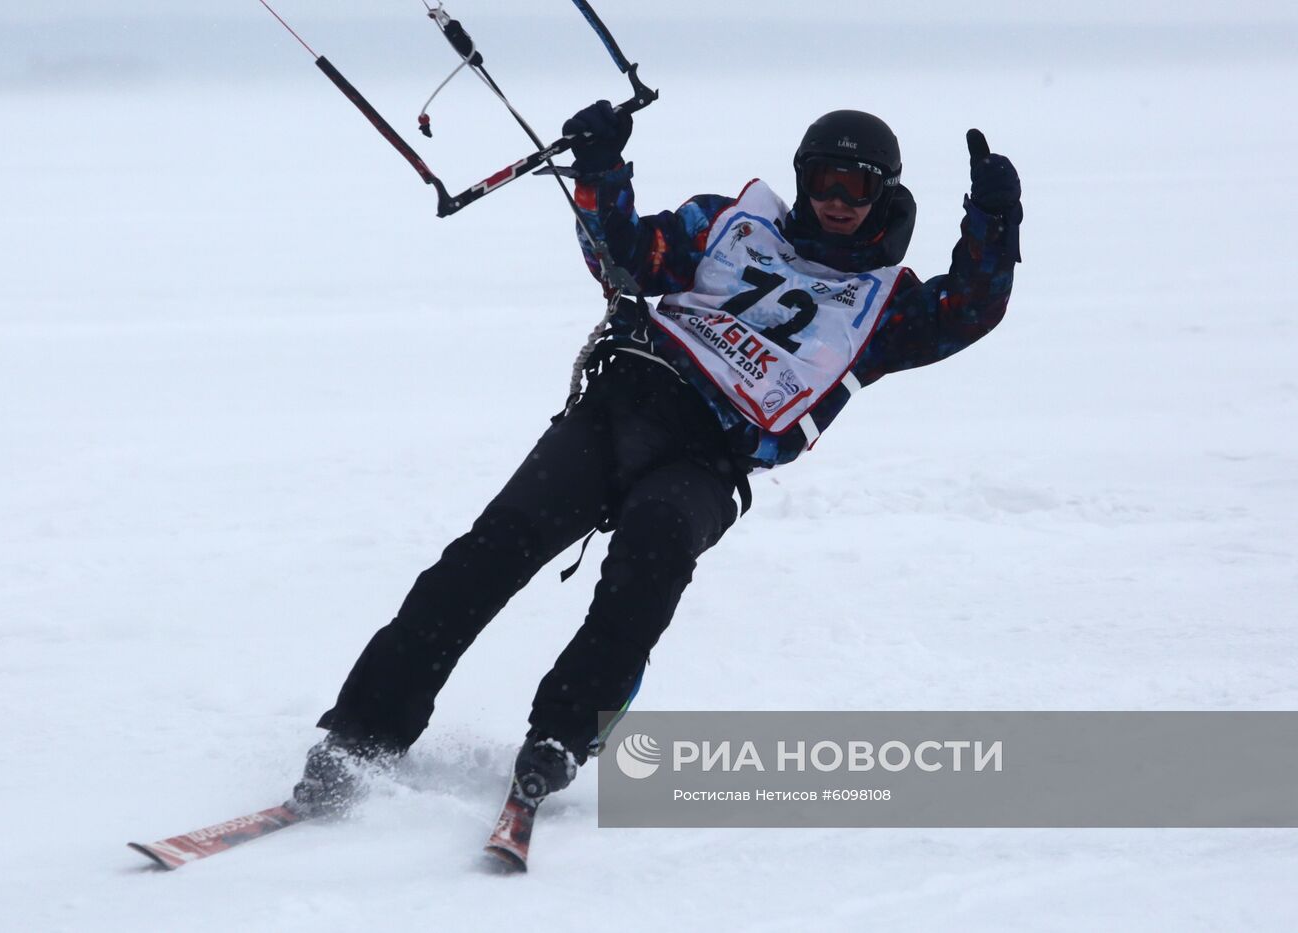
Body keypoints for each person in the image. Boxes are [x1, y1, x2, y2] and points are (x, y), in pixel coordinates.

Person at [289, 102, 1022, 816]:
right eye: (824, 180)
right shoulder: (728, 225)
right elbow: (626, 257)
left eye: (856, 187)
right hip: (621, 409)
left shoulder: (888, 307)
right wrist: (601, 167)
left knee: (646, 572)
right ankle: (363, 733)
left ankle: (559, 737)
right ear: (801, 178)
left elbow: (969, 310)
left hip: (709, 461)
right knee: (485, 556)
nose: (836, 201)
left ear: (884, 192)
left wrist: (992, 222)